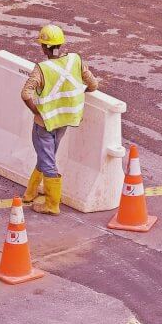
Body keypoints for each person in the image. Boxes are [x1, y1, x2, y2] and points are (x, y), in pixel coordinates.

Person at [20, 24, 99, 215]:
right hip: (65, 119)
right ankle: (30, 193)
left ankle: (52, 204)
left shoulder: (42, 69)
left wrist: (36, 112)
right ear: (61, 44)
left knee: (47, 160)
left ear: (44, 47)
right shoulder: (75, 60)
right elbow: (93, 85)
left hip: (45, 123)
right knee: (47, 155)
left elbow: (25, 94)